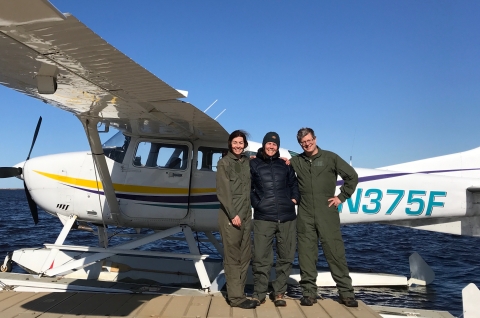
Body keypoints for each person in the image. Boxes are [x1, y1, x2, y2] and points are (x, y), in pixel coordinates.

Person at [289, 127, 359, 308]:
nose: (307, 144)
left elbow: (352, 176)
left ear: (315, 138)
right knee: (306, 254)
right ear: (300, 144)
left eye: (309, 140)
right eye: (303, 142)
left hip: (327, 212)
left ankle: (346, 293)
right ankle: (309, 293)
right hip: (305, 214)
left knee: (335, 253)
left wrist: (341, 197)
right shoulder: (296, 161)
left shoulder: (330, 157)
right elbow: (279, 167)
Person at [250, 132, 300, 307]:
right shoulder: (253, 163)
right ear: (264, 145)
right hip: (264, 217)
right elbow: (248, 187)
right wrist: (258, 204)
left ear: (278, 147)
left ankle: (279, 292)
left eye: (275, 144)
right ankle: (259, 293)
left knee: (286, 256)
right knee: (261, 257)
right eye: (269, 144)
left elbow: (294, 184)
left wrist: (293, 199)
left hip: (287, 217)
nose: (271, 147)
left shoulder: (285, 165)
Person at [216, 130, 257, 309]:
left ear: (245, 145)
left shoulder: (247, 161)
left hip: (246, 215)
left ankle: (239, 292)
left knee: (246, 255)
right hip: (231, 217)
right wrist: (233, 215)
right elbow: (223, 192)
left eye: (241, 142)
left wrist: (287, 161)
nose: (238, 145)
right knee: (232, 257)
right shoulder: (223, 163)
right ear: (230, 143)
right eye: (235, 142)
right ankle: (235, 298)